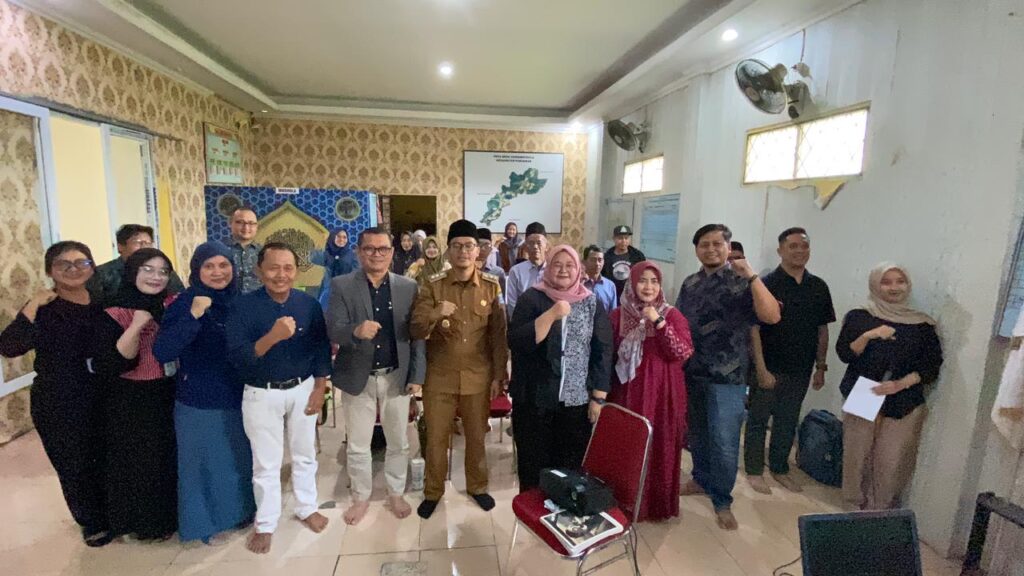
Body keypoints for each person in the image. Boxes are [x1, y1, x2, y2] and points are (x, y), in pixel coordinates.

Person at [0, 241, 112, 547]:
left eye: (82, 263)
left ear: (92, 267)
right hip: (59, 396)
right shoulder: (45, 308)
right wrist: (33, 303)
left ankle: (113, 513)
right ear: (50, 271)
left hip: (102, 392)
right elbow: (10, 346)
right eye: (64, 264)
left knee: (104, 455)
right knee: (73, 461)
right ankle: (91, 521)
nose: (74, 270)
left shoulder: (102, 302)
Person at [225, 243, 332, 553]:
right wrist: (273, 336)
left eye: (288, 268)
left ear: (296, 271)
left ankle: (307, 507)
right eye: (273, 268)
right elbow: (239, 357)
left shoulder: (307, 304)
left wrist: (320, 387)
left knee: (305, 454)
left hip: (302, 388)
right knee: (266, 462)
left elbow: (321, 348)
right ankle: (266, 523)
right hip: (261, 392)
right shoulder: (243, 307)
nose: (281, 274)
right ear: (259, 271)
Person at [676, 224, 780, 530]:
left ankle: (722, 499)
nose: (710, 249)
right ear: (696, 250)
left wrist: (752, 275)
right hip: (693, 373)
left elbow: (771, 316)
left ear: (728, 247)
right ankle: (700, 478)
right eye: (704, 244)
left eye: (717, 244)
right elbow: (680, 325)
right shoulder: (690, 283)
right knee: (698, 435)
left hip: (729, 377)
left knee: (724, 441)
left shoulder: (744, 281)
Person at [153, 241, 256, 544]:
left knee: (238, 459)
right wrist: (194, 316)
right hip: (200, 400)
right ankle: (207, 522)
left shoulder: (241, 301)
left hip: (240, 395)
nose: (218, 272)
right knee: (204, 465)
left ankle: (240, 512)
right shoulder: (185, 303)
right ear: (196, 270)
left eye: (224, 265)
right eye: (209, 266)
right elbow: (163, 351)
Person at [410, 219, 509, 519]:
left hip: (478, 377)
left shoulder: (491, 286)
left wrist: (499, 375)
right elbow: (415, 328)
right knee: (437, 438)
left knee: (476, 437)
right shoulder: (433, 285)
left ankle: (477, 487)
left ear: (478, 251)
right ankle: (433, 491)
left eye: (469, 246)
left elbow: (498, 336)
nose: (463, 251)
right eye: (457, 246)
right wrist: (435, 313)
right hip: (439, 377)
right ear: (448, 251)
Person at [327, 227, 425, 526]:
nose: (376, 254)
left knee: (399, 442)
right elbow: (333, 329)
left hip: (396, 375)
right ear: (359, 252)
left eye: (383, 249)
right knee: (358, 445)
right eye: (369, 248)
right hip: (358, 376)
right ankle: (361, 497)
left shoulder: (408, 287)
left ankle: (395, 492)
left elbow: (417, 335)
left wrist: (417, 374)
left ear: (392, 253)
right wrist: (355, 331)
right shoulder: (342, 285)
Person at [836, 263, 942, 510]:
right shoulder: (860, 316)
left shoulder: (922, 324)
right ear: (875, 285)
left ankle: (879, 510)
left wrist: (899, 385)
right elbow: (845, 353)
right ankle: (852, 504)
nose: (894, 287)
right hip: (865, 391)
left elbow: (931, 366)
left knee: (890, 460)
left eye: (900, 281)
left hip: (904, 398)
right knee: (857, 454)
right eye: (886, 282)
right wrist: (869, 335)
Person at [91, 247, 179, 541]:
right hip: (131, 397)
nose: (156, 277)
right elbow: (118, 362)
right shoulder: (114, 310)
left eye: (163, 272)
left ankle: (168, 518)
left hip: (166, 391)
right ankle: (144, 524)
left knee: (166, 458)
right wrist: (138, 324)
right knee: (140, 461)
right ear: (132, 272)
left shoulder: (170, 305)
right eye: (148, 270)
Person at [508, 245, 612, 490]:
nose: (563, 270)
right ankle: (534, 510)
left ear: (579, 269)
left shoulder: (590, 302)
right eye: (557, 264)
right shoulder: (531, 298)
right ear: (548, 267)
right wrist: (552, 314)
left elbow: (603, 349)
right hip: (534, 401)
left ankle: (562, 511)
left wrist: (598, 397)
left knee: (569, 469)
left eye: (570, 265)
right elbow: (516, 342)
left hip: (576, 403)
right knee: (533, 466)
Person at [745, 228, 835, 494]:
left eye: (804, 246)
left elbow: (822, 329)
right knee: (758, 419)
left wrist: (821, 366)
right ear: (780, 250)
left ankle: (779, 467)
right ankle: (754, 470)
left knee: (787, 420)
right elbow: (753, 329)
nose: (799, 251)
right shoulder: (765, 284)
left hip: (801, 368)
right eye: (793, 246)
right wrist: (761, 368)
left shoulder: (818, 287)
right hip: (769, 366)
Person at [608, 262, 693, 521]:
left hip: (663, 395)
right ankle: (625, 503)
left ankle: (655, 506)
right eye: (642, 280)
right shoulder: (618, 316)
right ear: (632, 283)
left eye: (654, 281)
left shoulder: (672, 315)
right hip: (627, 394)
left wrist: (659, 323)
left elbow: (682, 352)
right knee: (627, 446)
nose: (648, 287)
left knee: (660, 444)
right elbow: (607, 356)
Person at [86, 224, 184, 304]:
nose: (144, 247)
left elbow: (180, 299)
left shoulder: (165, 272)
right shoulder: (102, 273)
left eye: (148, 243)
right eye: (138, 242)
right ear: (120, 247)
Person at [506, 222, 548, 315]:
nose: (535, 247)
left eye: (539, 243)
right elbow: (512, 305)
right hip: (523, 320)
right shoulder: (516, 271)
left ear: (546, 246)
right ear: (525, 246)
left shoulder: (554, 270)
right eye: (531, 243)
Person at [311, 228, 360, 310]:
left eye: (344, 237)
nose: (342, 239)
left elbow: (356, 273)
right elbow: (312, 258)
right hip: (328, 292)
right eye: (338, 236)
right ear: (332, 237)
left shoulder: (352, 255)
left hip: (346, 293)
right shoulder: (327, 254)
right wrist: (321, 241)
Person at [602, 225, 646, 297]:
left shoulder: (638, 256)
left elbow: (643, 275)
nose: (624, 241)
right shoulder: (606, 257)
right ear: (614, 239)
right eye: (620, 238)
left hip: (632, 295)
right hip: (613, 294)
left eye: (626, 238)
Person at [227, 206, 263, 294]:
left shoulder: (266, 253)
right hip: (227, 301)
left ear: (256, 226)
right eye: (240, 222)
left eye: (251, 223)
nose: (246, 227)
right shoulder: (220, 251)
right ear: (230, 223)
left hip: (259, 301)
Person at [582, 244, 618, 312]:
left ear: (603, 262)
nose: (597, 263)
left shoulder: (610, 286)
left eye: (600, 260)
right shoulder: (578, 284)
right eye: (593, 260)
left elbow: (612, 313)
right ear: (584, 262)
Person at [476, 227, 507, 293]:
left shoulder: (498, 272)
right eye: (479, 245)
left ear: (491, 248)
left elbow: (502, 297)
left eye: (486, 245)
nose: (483, 249)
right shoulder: (464, 270)